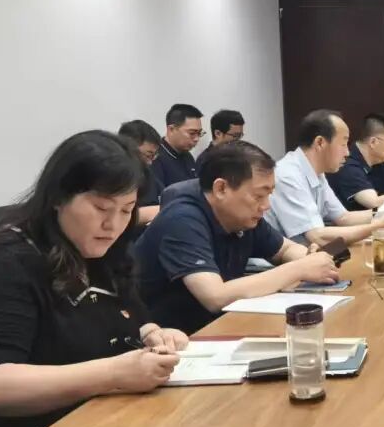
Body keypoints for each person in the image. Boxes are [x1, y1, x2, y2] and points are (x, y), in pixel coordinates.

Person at [0, 131, 186, 427]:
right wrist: (113, 373)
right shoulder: (10, 260)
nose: (113, 225)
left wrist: (154, 334)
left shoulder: (102, 250)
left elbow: (132, 317)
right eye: (101, 208)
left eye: (126, 210)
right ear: (58, 197)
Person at [135, 141, 340, 333]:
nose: (266, 205)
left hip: (219, 327)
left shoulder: (243, 216)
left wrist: (309, 257)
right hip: (172, 339)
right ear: (221, 188)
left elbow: (285, 249)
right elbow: (214, 296)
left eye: (269, 195)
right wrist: (300, 268)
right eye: (259, 196)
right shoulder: (182, 219)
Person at [265, 110, 384, 246]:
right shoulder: (289, 176)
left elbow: (343, 218)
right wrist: (378, 225)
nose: (347, 152)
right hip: (276, 260)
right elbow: (317, 236)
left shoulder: (317, 172)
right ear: (320, 143)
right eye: (343, 144)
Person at [118, 119, 164, 225]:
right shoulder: (114, 177)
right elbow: (118, 215)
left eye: (154, 156)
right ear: (128, 148)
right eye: (148, 155)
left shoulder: (146, 173)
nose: (150, 162)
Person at [153, 103, 204, 191]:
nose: (196, 139)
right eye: (192, 133)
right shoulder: (155, 158)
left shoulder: (188, 156)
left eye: (199, 133)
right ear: (171, 129)